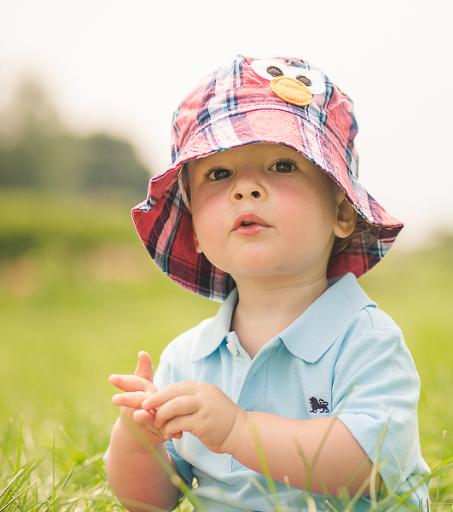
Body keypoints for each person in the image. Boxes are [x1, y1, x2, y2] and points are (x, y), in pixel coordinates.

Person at [105, 55, 430, 512]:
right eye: (219, 174)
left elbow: (368, 468)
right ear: (195, 229)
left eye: (281, 165)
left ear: (341, 211)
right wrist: (138, 442)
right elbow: (150, 501)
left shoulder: (365, 341)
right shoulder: (187, 360)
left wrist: (238, 430)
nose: (246, 188)